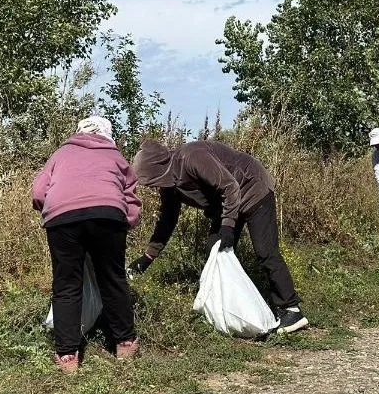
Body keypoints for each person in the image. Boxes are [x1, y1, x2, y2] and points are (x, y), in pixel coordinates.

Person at [126, 139, 308, 334]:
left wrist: (228, 226)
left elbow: (230, 187)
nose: (152, 187)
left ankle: (291, 310)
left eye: (151, 182)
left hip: (253, 189)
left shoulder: (192, 157)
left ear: (159, 170)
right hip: (228, 204)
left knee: (265, 251)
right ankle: (230, 311)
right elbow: (167, 220)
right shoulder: (169, 184)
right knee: (214, 250)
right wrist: (148, 257)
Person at [31, 116, 142, 372]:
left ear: (78, 132)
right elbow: (131, 197)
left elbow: (38, 193)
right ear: (107, 134)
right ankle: (124, 342)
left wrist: (52, 208)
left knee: (66, 284)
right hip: (107, 215)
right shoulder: (115, 156)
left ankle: (68, 355)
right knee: (112, 278)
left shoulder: (61, 154)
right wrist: (126, 221)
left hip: (62, 219)